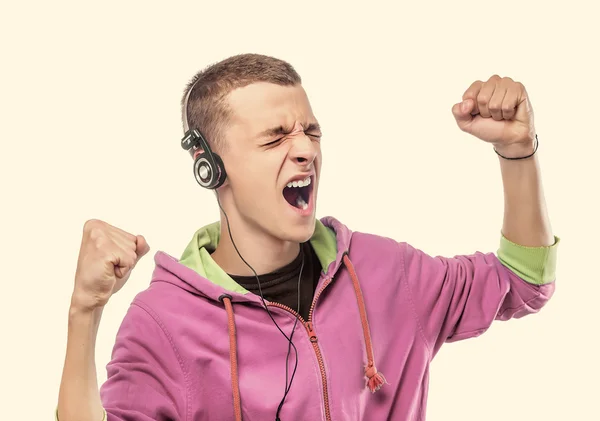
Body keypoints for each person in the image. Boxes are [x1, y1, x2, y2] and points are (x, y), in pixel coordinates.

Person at [57, 53, 559, 421]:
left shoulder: (387, 273)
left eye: (311, 131)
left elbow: (523, 282)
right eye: (275, 137)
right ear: (209, 167)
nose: (304, 150)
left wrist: (519, 151)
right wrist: (85, 310)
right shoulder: (165, 323)